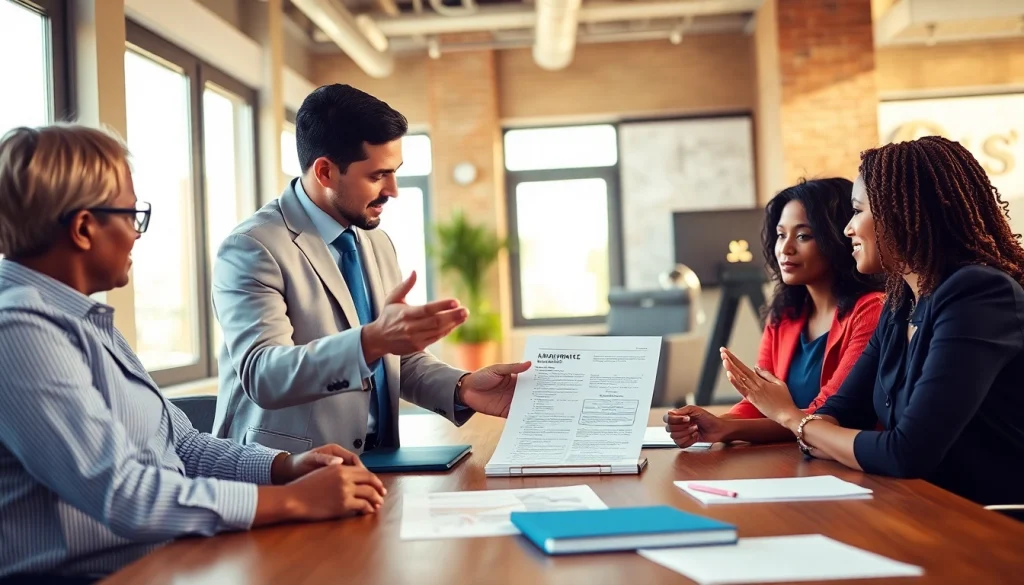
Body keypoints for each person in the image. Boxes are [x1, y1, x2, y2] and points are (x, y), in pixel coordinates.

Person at [0, 125, 388, 583]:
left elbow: (180, 445)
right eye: (131, 215)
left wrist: (288, 468)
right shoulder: (20, 331)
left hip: (166, 562)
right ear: (84, 228)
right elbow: (124, 495)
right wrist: (296, 500)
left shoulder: (83, 319)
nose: (137, 234)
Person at [212, 84, 530, 454]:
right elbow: (264, 373)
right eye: (378, 175)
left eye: (395, 172)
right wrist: (374, 340)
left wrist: (463, 387)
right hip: (282, 473)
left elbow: (394, 358)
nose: (393, 190)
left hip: (378, 467)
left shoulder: (375, 241)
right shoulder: (253, 246)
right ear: (326, 171)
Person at [717, 136, 1024, 506]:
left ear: (904, 214)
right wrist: (815, 429)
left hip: (989, 522)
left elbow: (905, 453)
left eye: (858, 211)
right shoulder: (900, 304)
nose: (847, 228)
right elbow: (840, 415)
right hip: (918, 505)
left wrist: (790, 416)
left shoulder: (977, 293)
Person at [666, 179, 883, 448]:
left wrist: (726, 428)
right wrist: (711, 423)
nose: (785, 249)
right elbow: (759, 403)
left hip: (847, 465)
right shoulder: (784, 315)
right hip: (791, 458)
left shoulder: (871, 310)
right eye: (781, 235)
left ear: (838, 238)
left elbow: (824, 414)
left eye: (803, 235)